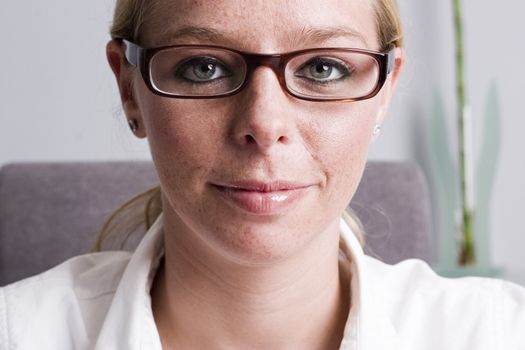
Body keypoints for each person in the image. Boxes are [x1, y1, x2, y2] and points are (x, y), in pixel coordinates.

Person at [1, 0, 524, 349]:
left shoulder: (497, 333)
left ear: (385, 91)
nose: (264, 124)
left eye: (324, 68)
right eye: (204, 67)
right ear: (128, 89)